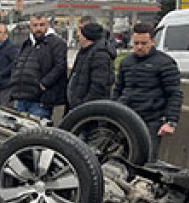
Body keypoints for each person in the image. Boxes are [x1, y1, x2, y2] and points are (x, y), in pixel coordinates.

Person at [113, 22, 182, 158]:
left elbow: (174, 93)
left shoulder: (165, 63)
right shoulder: (126, 62)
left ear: (152, 42)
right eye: (136, 43)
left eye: (143, 43)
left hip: (152, 120)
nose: (139, 47)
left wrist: (171, 121)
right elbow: (118, 89)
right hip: (127, 117)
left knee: (147, 159)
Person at [8, 16, 68, 120]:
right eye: (35, 25)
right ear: (30, 27)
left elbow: (60, 66)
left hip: (40, 100)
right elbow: (18, 65)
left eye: (42, 25)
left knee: (37, 132)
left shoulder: (56, 43)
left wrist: (44, 83)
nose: (38, 28)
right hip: (21, 98)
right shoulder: (27, 44)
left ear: (47, 26)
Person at [66, 21, 115, 109]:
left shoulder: (100, 55)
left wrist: (84, 106)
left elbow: (98, 86)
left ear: (87, 37)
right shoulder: (84, 52)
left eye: (81, 35)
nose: (79, 38)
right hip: (77, 106)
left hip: (89, 110)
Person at [0, 23, 18, 108]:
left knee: (4, 110)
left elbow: (15, 64)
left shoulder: (11, 48)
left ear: (6, 34)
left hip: (6, 86)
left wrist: (2, 74)